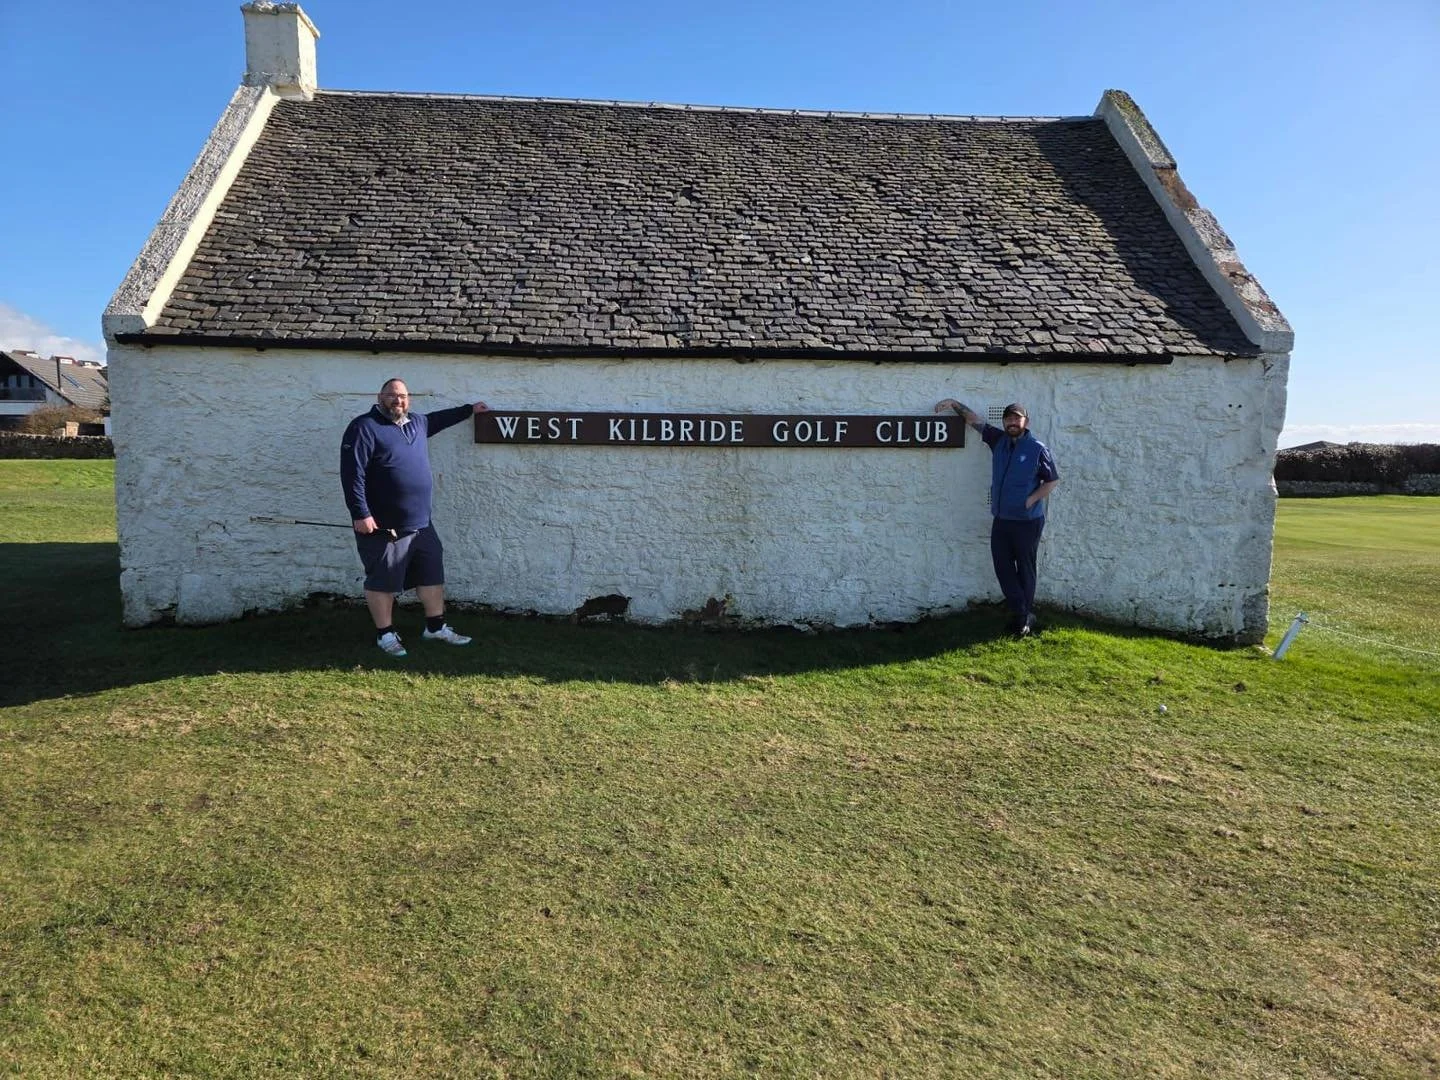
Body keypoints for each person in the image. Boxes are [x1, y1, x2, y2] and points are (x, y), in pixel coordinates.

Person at [341, 378, 489, 657]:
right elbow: (352, 475)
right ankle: (385, 635)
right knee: (382, 579)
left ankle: (435, 627)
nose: (398, 401)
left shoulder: (417, 424)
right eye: (392, 396)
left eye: (403, 396)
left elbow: (439, 419)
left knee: (431, 574)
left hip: (422, 523)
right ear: (380, 396)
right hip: (383, 526)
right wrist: (361, 513)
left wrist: (470, 409)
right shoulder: (364, 427)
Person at [934, 399, 1060, 637]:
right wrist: (953, 404)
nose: (1012, 422)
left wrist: (1030, 500)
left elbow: (1052, 480)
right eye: (1008, 418)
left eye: (1017, 418)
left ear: (1026, 422)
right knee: (1002, 566)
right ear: (1004, 422)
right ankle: (1023, 612)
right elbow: (975, 421)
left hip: (1027, 521)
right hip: (1002, 519)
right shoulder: (998, 440)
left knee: (1025, 568)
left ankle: (1022, 618)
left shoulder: (1037, 448)